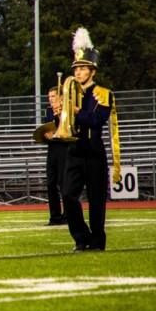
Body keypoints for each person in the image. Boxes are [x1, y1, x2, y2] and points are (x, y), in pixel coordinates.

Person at [63, 28, 120, 252]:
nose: (77, 73)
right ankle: (80, 236)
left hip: (94, 149)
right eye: (76, 69)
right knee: (68, 195)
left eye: (82, 69)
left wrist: (77, 111)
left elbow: (97, 119)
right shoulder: (68, 92)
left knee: (97, 200)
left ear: (92, 71)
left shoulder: (104, 94)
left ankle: (97, 241)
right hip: (74, 149)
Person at [42, 86, 68, 226]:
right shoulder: (47, 111)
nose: (50, 99)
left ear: (60, 97)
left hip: (64, 148)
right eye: (49, 97)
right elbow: (45, 127)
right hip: (52, 148)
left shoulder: (67, 110)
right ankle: (55, 216)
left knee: (64, 183)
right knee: (50, 183)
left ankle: (68, 215)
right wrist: (46, 135)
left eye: (53, 96)